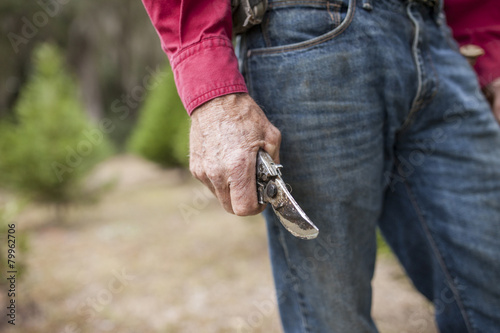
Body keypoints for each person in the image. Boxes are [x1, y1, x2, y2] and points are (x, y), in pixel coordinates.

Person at [141, 0, 500, 331]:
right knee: (333, 315)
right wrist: (212, 90)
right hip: (306, 36)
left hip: (440, 39)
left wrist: (491, 53)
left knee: (489, 287)